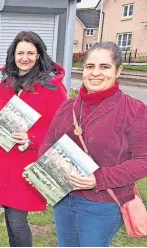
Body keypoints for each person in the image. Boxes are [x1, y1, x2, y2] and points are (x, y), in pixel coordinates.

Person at [38, 42, 147, 247]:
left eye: (104, 67)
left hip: (102, 204)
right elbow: (49, 142)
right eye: (90, 66)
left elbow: (143, 161)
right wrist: (42, 167)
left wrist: (98, 178)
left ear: (118, 70)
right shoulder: (68, 106)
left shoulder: (134, 110)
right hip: (64, 200)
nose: (95, 73)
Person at [0, 31, 67, 247]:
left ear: (39, 55)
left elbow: (61, 126)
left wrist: (31, 137)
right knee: (9, 217)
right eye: (20, 52)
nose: (25, 57)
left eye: (31, 52)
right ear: (13, 55)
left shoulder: (52, 87)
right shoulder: (7, 83)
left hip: (27, 162)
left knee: (17, 219)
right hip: (3, 159)